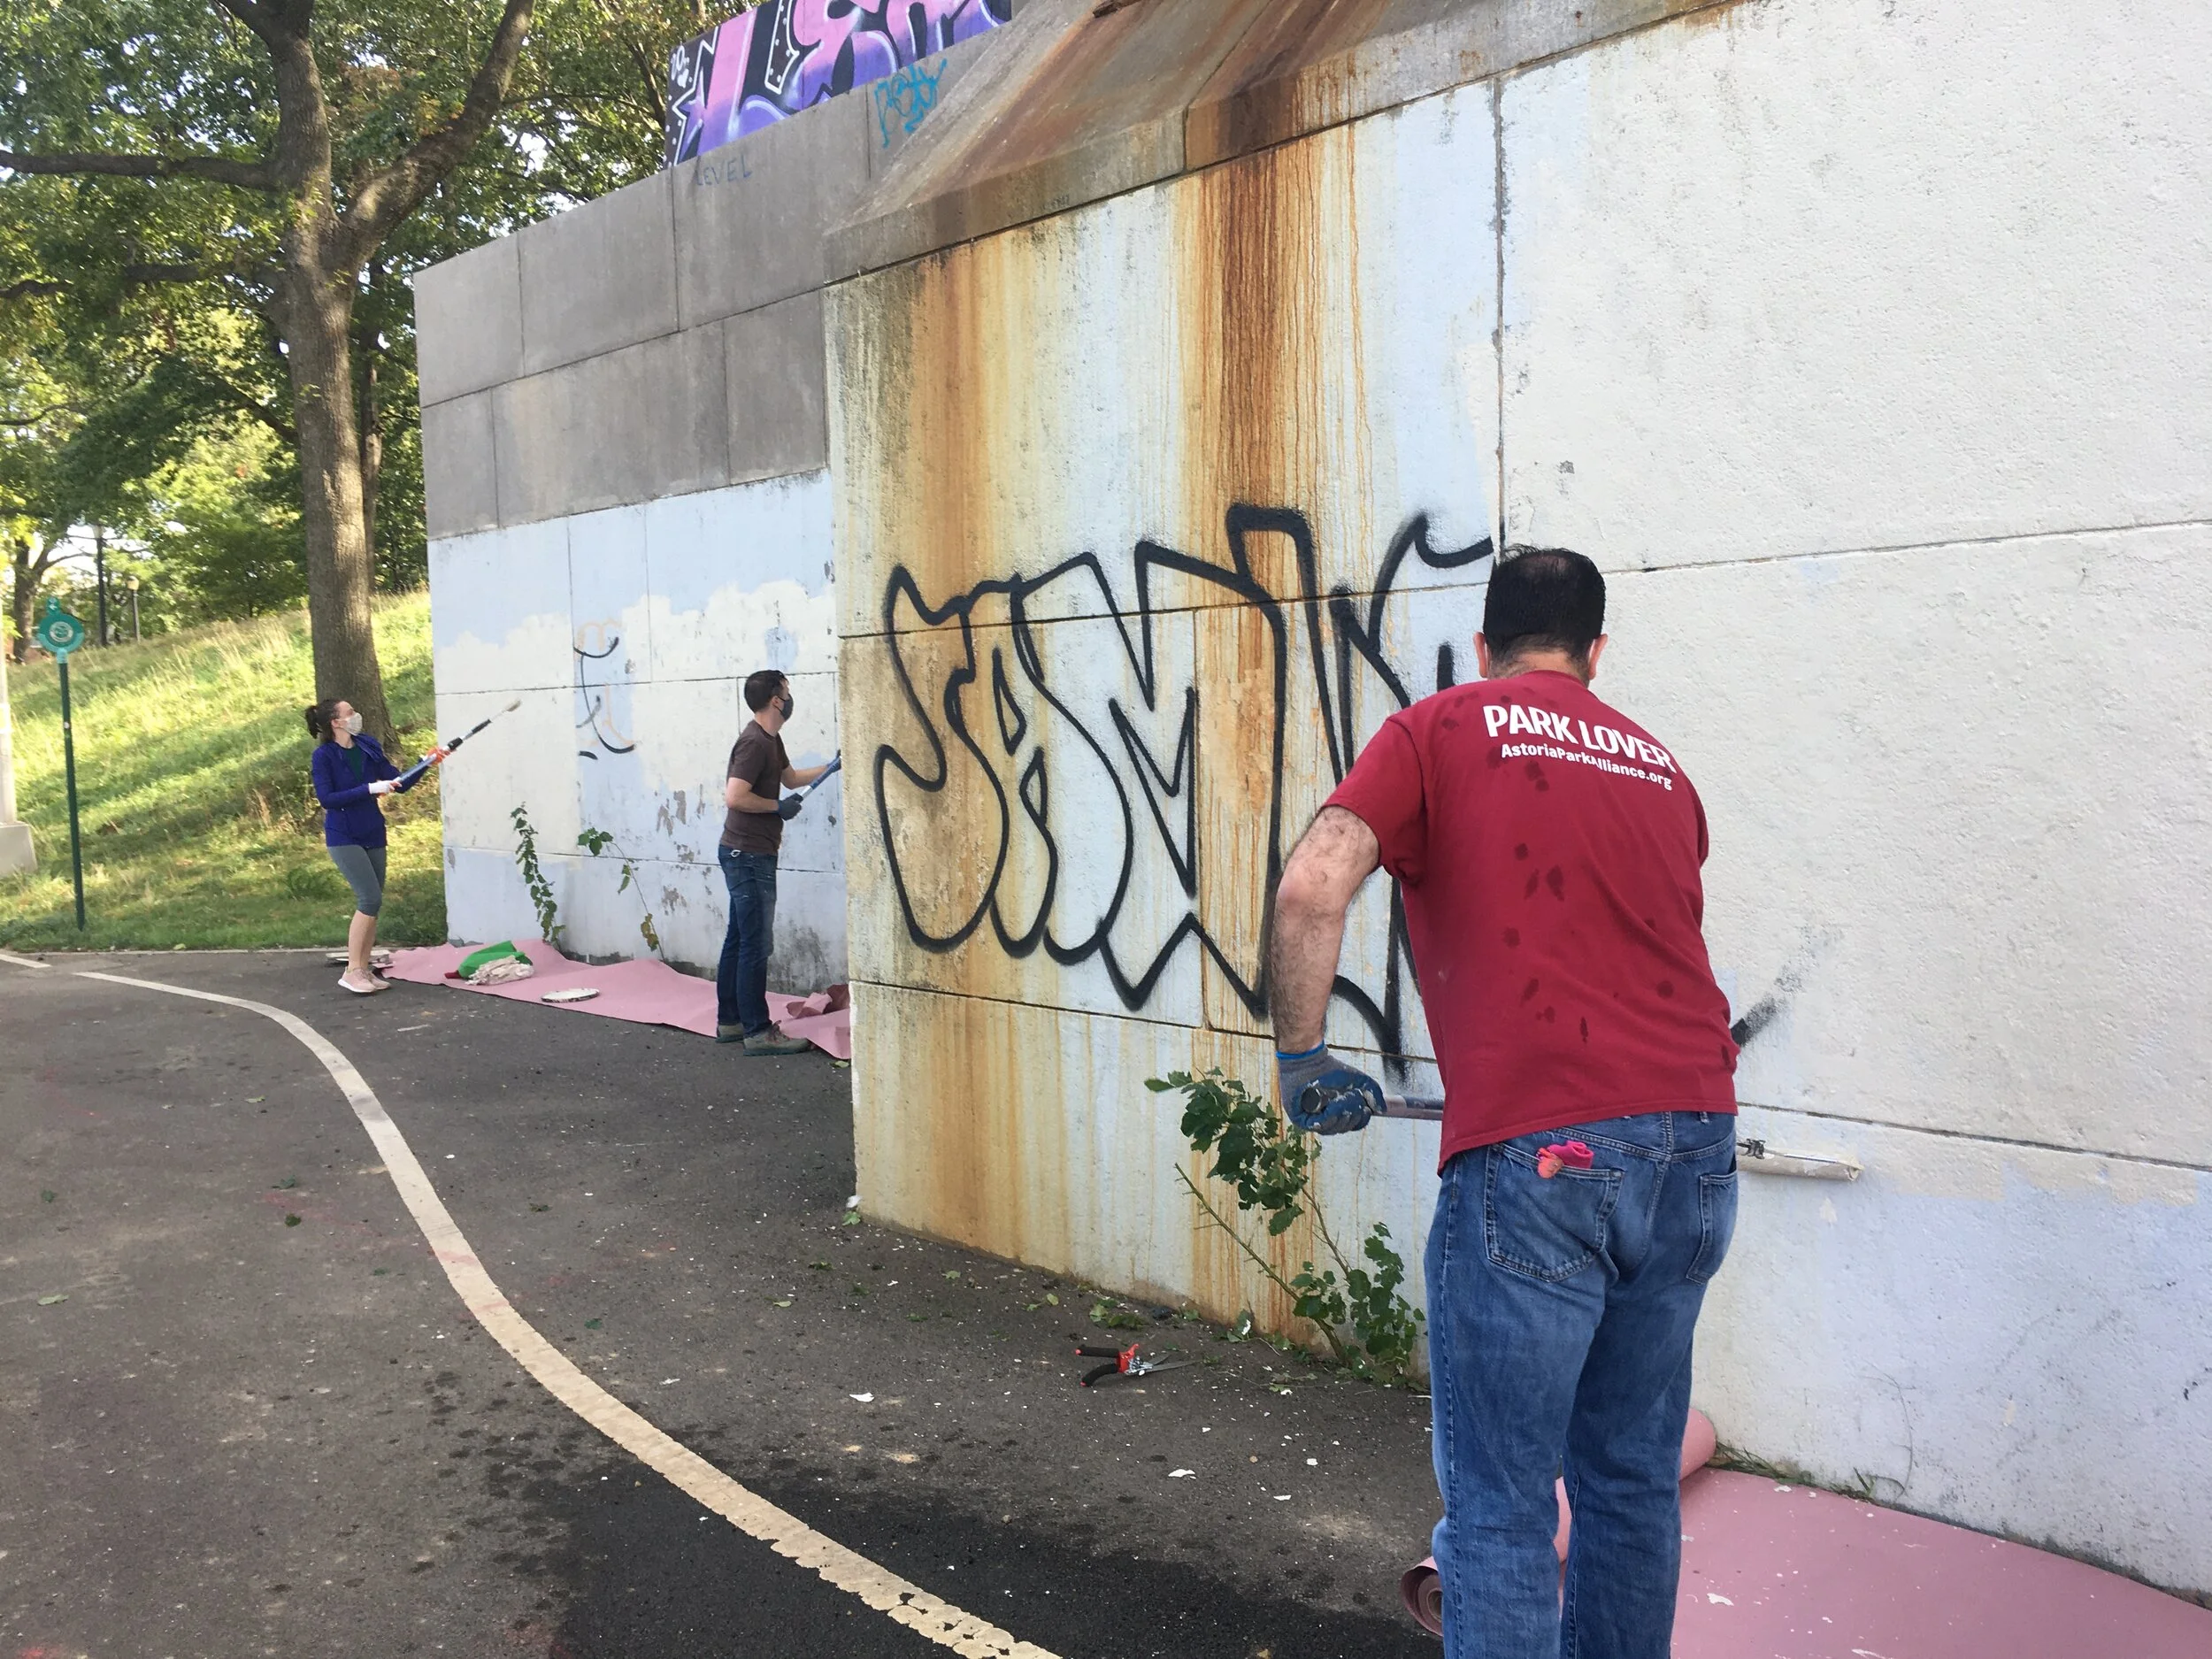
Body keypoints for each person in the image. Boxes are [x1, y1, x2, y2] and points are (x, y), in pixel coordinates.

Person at [1266, 547, 1739, 1659]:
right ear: (1596, 653)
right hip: (1696, 1146)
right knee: (1627, 1486)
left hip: (1544, 1161)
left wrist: (1300, 1061)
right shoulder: (1662, 768)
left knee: (1502, 1506)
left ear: (1484, 647)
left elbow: (1311, 882)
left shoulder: (1440, 726)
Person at [718, 670, 837, 1054]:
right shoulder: (753, 742)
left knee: (739, 940)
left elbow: (789, 778)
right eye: (786, 691)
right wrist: (776, 808)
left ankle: (731, 1022)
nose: (790, 697)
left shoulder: (772, 739)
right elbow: (735, 797)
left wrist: (832, 766)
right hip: (748, 856)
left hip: (748, 853)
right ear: (775, 699)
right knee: (755, 944)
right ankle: (757, 1031)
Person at [307, 697, 403, 995]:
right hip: (344, 835)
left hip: (373, 830)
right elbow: (328, 799)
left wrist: (429, 762)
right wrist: (369, 789)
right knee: (368, 898)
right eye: (350, 712)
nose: (356, 715)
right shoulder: (324, 756)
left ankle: (363, 969)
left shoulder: (368, 746)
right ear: (336, 722)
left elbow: (397, 780)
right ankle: (352, 970)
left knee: (374, 904)